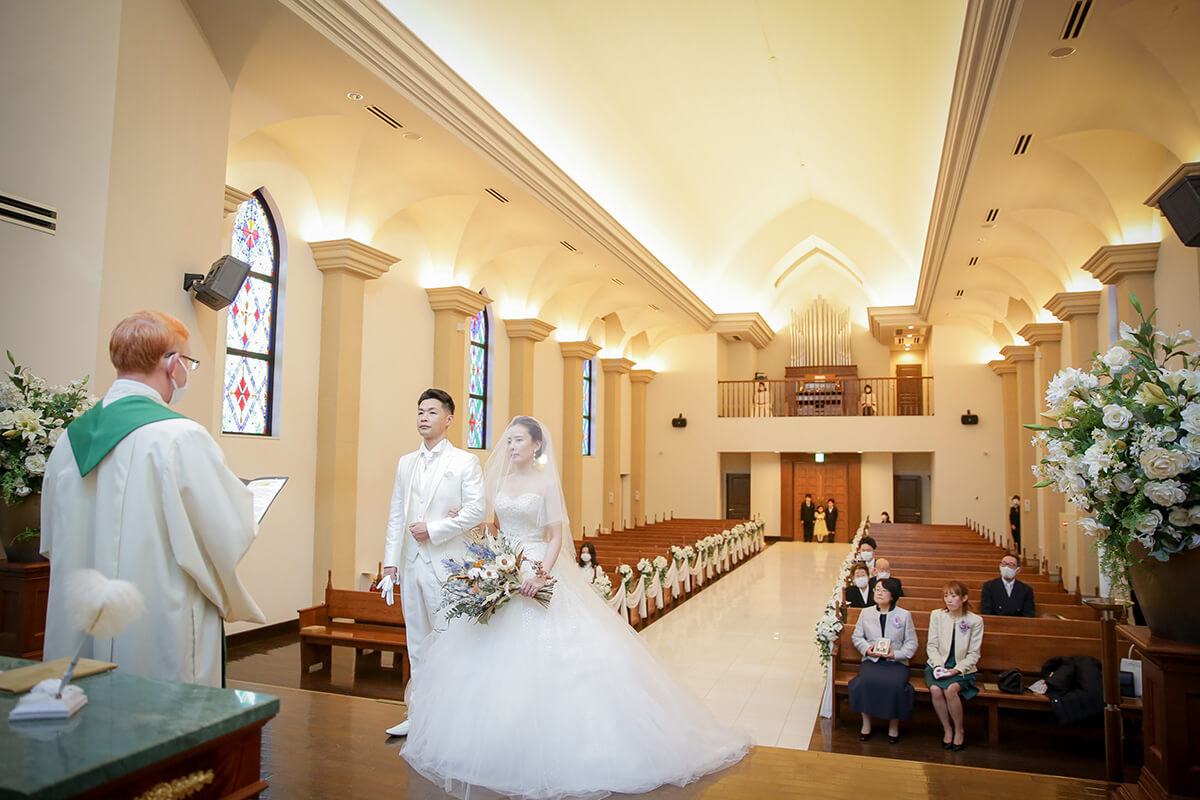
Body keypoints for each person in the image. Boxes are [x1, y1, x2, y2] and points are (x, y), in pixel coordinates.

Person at [400, 417, 750, 798]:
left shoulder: (546, 483)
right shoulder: (501, 481)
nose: (511, 446)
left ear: (536, 445)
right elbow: (497, 529)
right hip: (506, 568)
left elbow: (555, 535)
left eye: (518, 440)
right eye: (509, 440)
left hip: (537, 567)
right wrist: (472, 529)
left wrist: (542, 574)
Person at [40, 310, 264, 687]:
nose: (187, 372)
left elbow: (50, 540)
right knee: (160, 724)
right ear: (173, 364)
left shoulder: (68, 441)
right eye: (189, 362)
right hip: (159, 621)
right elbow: (225, 531)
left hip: (79, 620)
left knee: (85, 718)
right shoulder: (179, 436)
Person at [380, 388, 485, 737]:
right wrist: (390, 564)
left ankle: (453, 716)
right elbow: (397, 514)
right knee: (417, 642)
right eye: (420, 411)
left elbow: (476, 511)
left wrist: (435, 529)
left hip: (447, 565)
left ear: (449, 419)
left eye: (432, 412)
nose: (423, 417)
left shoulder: (464, 462)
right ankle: (419, 714)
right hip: (411, 565)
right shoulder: (405, 462)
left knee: (448, 641)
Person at [848, 578, 917, 743]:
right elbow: (857, 636)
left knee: (895, 686)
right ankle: (866, 723)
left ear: (892, 595)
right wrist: (867, 649)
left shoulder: (904, 615)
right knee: (864, 683)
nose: (878, 593)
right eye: (876, 589)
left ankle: (893, 725)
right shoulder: (866, 613)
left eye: (883, 590)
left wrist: (896, 654)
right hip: (872, 660)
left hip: (895, 662)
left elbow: (912, 643)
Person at [925, 581, 983, 751]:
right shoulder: (937, 615)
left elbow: (974, 654)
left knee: (950, 689)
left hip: (961, 668)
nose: (949, 600)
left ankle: (959, 730)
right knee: (936, 690)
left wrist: (956, 670)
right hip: (938, 664)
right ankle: (947, 729)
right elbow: (932, 645)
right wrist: (938, 666)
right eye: (946, 596)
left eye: (953, 596)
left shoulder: (975, 620)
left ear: (964, 598)